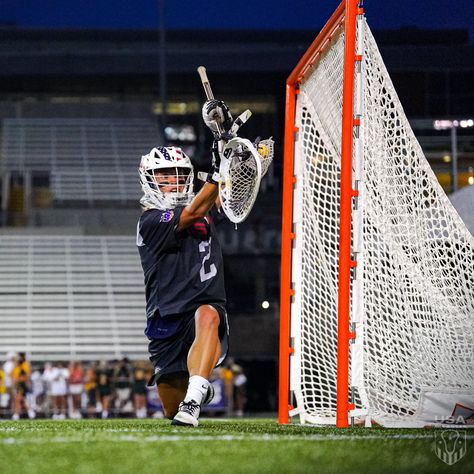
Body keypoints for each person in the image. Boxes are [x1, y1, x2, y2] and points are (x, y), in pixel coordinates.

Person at [136, 100, 233, 427]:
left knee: (208, 316)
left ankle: (196, 395)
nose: (173, 182)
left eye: (178, 175)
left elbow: (231, 195)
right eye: (164, 175)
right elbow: (192, 213)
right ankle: (193, 389)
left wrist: (234, 149)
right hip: (166, 314)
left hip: (203, 302)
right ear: (149, 179)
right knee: (169, 408)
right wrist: (220, 169)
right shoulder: (150, 220)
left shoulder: (202, 207)